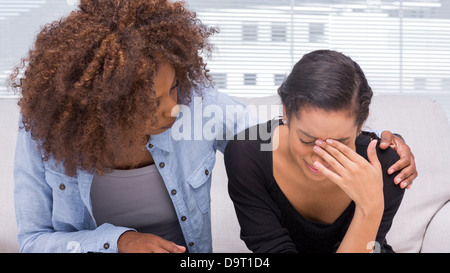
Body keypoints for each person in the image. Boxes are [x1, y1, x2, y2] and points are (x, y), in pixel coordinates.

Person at [10, 0, 416, 253]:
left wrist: (378, 144)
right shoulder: (47, 135)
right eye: (154, 102)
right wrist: (118, 241)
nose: (174, 110)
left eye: (174, 90)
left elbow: (279, 134)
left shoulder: (196, 105)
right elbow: (32, 241)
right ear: (103, 108)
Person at [225, 50, 415, 253]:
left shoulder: (388, 166)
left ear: (361, 124)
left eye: (338, 143)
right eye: (306, 139)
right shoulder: (247, 154)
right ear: (286, 112)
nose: (319, 159)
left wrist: (370, 208)